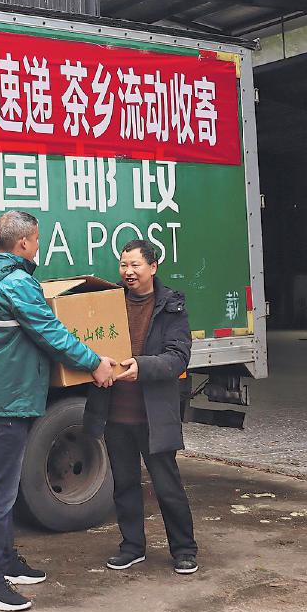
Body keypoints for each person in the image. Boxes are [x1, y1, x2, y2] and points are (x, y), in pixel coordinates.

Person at [0, 210, 117, 612]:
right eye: (36, 239)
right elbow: (52, 333)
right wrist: (94, 362)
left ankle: (5, 562)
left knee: (5, 488)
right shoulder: (17, 283)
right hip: (5, 403)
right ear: (24, 243)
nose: (39, 245)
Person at [84, 239, 199, 575]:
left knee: (167, 486)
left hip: (153, 415)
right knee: (124, 485)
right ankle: (132, 547)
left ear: (153, 267)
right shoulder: (108, 302)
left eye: (135, 265)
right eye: (123, 265)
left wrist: (143, 366)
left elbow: (178, 356)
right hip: (115, 412)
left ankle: (184, 549)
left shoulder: (171, 307)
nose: (128, 272)